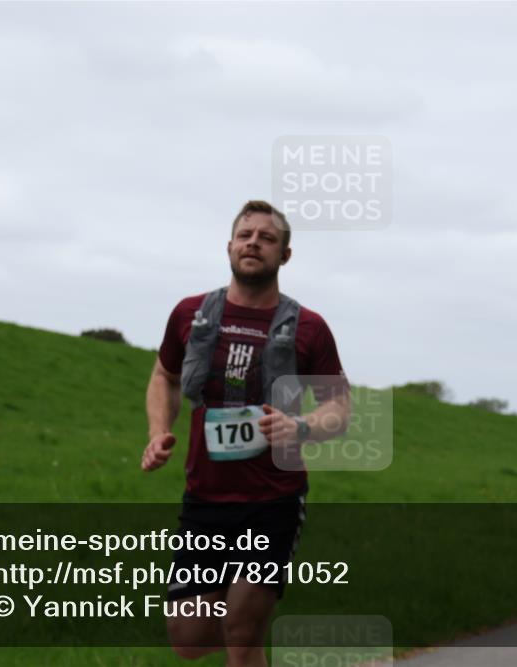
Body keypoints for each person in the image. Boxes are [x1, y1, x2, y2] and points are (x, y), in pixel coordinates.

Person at [141, 200, 351, 666]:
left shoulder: (309, 329)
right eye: (245, 235)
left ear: (285, 255)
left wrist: (300, 426)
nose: (253, 242)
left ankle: (250, 628)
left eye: (267, 237)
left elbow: (339, 405)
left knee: (241, 628)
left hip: (272, 499)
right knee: (189, 639)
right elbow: (165, 376)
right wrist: (159, 432)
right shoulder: (191, 315)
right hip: (205, 498)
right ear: (230, 247)